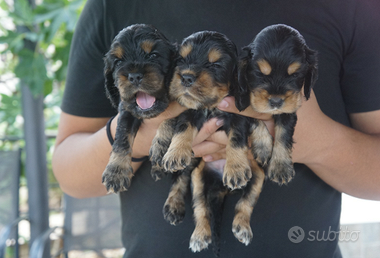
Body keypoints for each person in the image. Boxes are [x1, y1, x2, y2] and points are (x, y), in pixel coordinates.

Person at [52, 0, 380, 257]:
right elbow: (69, 173)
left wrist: (319, 143)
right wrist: (144, 135)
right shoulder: (113, 5)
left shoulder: (351, 6)